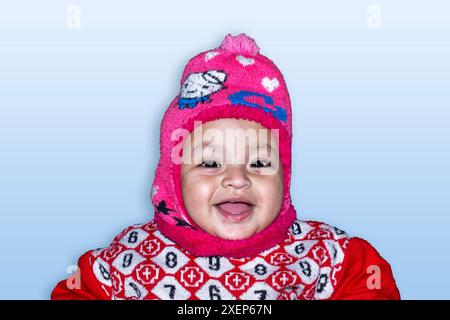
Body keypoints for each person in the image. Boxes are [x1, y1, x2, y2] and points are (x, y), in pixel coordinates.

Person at [51, 33, 400, 300]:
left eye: (260, 162)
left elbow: (370, 282)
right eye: (211, 162)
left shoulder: (326, 257)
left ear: (285, 173)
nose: (236, 178)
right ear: (172, 180)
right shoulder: (127, 260)